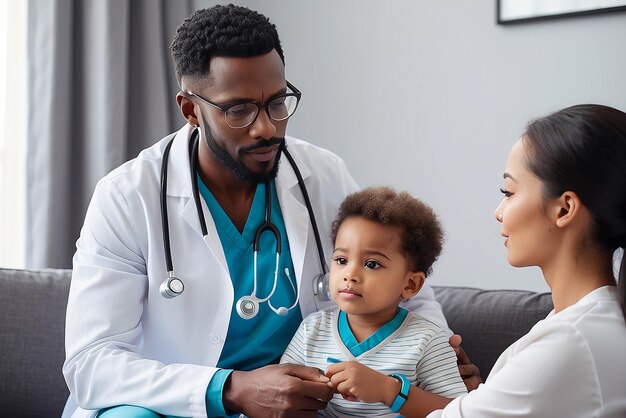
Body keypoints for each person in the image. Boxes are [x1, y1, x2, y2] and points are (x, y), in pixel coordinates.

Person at [61, 5, 478, 418]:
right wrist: (231, 388)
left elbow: (406, 287)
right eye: (238, 110)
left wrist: (437, 356)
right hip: (170, 404)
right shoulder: (127, 196)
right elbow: (91, 363)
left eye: (277, 103)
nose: (266, 128)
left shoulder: (322, 173)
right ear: (191, 110)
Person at [330, 104, 626, 417]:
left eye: (509, 192)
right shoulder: (587, 323)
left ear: (564, 209)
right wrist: (481, 397)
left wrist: (390, 389)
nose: (498, 211)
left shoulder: (570, 342)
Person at [280, 187, 467, 417]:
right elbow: (284, 395)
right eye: (341, 260)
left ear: (410, 285)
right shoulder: (311, 329)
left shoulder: (428, 341)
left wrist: (388, 391)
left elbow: (459, 411)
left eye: (371, 264)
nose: (350, 274)